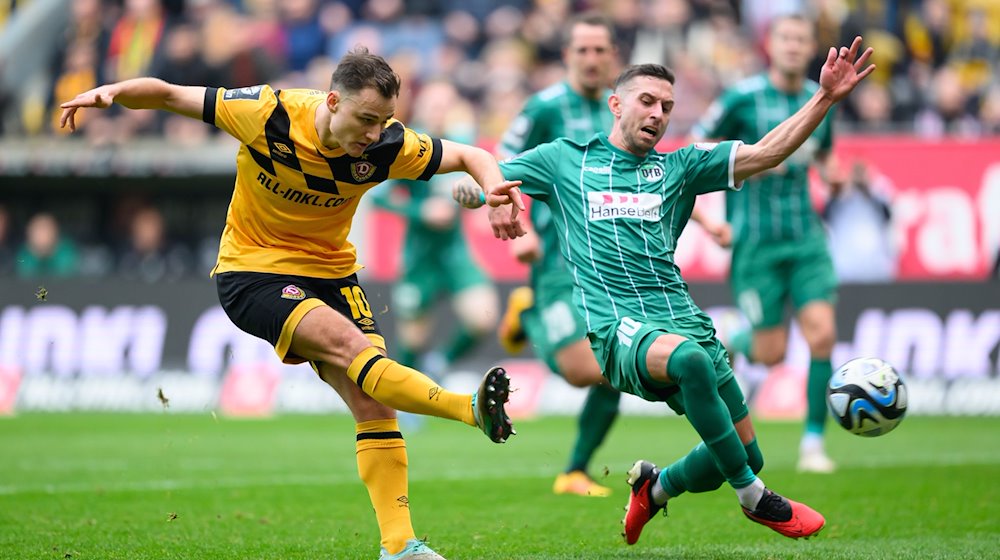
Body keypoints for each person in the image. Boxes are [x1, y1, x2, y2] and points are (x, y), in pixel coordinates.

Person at [60, 47, 524, 560]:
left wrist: (494, 189)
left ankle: (399, 547)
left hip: (331, 274)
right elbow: (171, 94)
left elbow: (468, 155)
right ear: (331, 101)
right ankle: (468, 410)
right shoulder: (267, 112)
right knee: (353, 348)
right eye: (366, 119)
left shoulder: (390, 145)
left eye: (385, 121)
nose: (374, 134)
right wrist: (113, 92)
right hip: (253, 272)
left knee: (373, 404)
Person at [460, 37, 874, 543]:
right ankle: (754, 498)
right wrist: (475, 189)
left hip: (681, 317)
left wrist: (825, 98)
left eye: (668, 107)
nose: (658, 114)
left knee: (744, 451)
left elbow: (768, 151)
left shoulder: (679, 168)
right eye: (647, 102)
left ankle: (655, 490)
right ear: (616, 105)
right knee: (693, 367)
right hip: (616, 328)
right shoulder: (564, 161)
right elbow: (490, 172)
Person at [690, 14, 845, 474]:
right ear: (769, 45)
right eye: (786, 38)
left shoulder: (820, 98)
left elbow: (826, 156)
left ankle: (813, 443)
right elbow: (697, 145)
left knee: (823, 334)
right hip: (755, 244)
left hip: (806, 239)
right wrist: (748, 161)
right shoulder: (742, 96)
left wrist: (834, 177)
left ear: (811, 46)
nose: (794, 46)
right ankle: (734, 339)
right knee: (772, 352)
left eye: (802, 39)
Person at [494, 11, 622, 498]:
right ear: (567, 55)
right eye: (582, 50)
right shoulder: (545, 107)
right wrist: (520, 225)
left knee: (616, 369)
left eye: (600, 50)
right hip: (557, 262)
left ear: (614, 57)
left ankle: (575, 472)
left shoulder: (623, 110)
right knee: (581, 372)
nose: (591, 59)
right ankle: (527, 315)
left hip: (611, 265)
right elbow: (498, 164)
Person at [370, 80, 498, 380]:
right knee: (414, 338)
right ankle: (410, 400)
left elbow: (483, 181)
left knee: (482, 317)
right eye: (434, 105)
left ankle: (440, 361)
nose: (441, 111)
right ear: (422, 107)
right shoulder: (404, 146)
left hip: (455, 252)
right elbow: (378, 197)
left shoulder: (460, 143)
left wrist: (480, 201)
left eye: (446, 104)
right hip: (419, 255)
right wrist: (420, 211)